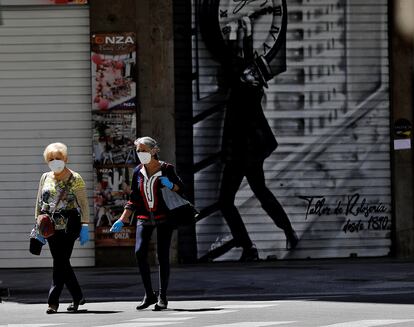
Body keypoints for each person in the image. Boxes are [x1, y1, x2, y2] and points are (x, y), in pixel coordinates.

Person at [218, 17, 298, 262]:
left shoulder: (243, 89)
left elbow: (234, 64)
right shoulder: (252, 88)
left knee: (225, 201)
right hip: (252, 152)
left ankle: (248, 247)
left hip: (240, 154)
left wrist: (236, 36)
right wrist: (247, 33)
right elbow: (243, 63)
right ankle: (289, 232)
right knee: (260, 191)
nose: (247, 72)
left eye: (251, 73)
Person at [110, 136, 184, 311]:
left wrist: (171, 185)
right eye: (138, 151)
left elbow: (181, 188)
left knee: (162, 255)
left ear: (153, 150)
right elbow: (134, 198)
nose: (140, 153)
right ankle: (149, 294)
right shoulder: (137, 171)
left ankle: (162, 297)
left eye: (143, 150)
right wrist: (123, 218)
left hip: (164, 217)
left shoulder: (166, 168)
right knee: (139, 252)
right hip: (144, 217)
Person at [35, 142, 90, 314]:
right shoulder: (45, 177)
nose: (55, 161)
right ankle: (77, 296)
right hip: (50, 225)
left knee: (59, 262)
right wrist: (37, 224)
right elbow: (39, 202)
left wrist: (85, 226)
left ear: (65, 159)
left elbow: (84, 204)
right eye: (51, 159)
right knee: (62, 262)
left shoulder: (75, 178)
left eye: (58, 158)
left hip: (70, 224)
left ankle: (53, 302)